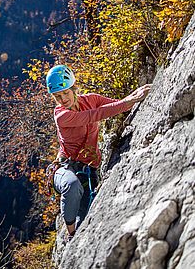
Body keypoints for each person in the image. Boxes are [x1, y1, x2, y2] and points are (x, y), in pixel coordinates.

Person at [46, 64, 151, 241]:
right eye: (57, 96)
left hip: (89, 171)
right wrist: (130, 100)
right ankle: (69, 233)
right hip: (66, 169)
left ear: (73, 88)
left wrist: (134, 96)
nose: (63, 99)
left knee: (87, 219)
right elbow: (96, 115)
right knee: (71, 187)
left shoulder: (91, 100)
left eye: (65, 93)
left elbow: (117, 105)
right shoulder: (61, 116)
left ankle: (75, 229)